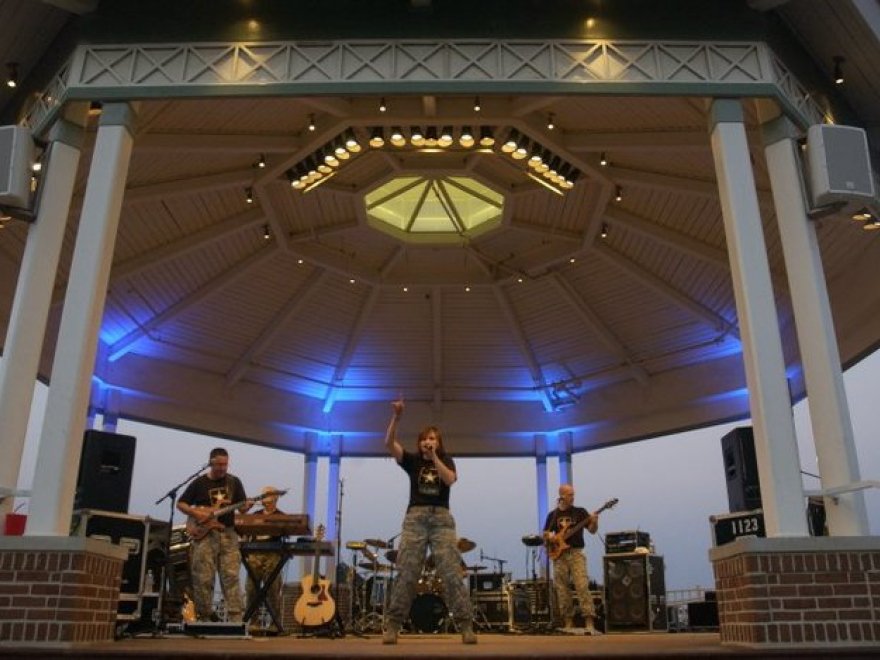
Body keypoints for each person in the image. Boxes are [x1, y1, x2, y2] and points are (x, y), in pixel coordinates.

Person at [381, 397, 476, 645]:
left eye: (432, 438)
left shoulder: (446, 460)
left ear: (438, 443)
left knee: (452, 573)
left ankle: (465, 625)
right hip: (416, 518)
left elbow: (449, 480)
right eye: (425, 439)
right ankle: (393, 625)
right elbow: (389, 443)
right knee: (407, 573)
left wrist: (435, 458)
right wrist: (397, 417)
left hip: (442, 519)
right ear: (420, 442)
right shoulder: (412, 461)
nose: (427, 442)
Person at [177, 447, 251, 622]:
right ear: (211, 463)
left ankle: (236, 619)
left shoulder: (234, 482)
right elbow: (181, 504)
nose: (223, 468)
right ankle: (204, 616)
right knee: (203, 576)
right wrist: (197, 514)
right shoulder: (199, 483)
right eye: (219, 464)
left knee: (231, 576)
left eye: (225, 464)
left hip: (227, 534)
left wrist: (247, 505)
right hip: (205, 536)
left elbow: (242, 507)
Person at [543, 483, 602, 635]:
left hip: (576, 553)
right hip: (559, 555)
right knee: (562, 589)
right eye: (570, 495)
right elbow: (546, 536)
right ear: (562, 496)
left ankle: (589, 621)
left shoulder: (580, 512)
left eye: (573, 494)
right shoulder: (553, 515)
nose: (573, 497)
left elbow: (592, 531)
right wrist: (550, 537)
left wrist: (594, 521)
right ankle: (568, 622)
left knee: (582, 585)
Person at [244, 486, 285, 632]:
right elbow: (245, 530)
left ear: (275, 498)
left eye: (267, 495)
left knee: (273, 590)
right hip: (255, 554)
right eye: (263, 495)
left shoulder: (281, 516)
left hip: (272, 555)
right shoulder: (256, 514)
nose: (264, 498)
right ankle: (253, 622)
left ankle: (275, 623)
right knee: (251, 590)